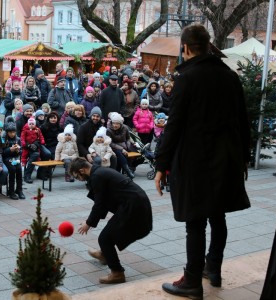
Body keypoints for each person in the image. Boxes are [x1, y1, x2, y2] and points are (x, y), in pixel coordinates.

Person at [154, 24, 251, 299]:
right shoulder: (230, 76)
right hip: (227, 157)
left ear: (184, 48)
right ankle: (213, 268)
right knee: (217, 215)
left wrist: (161, 164)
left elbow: (174, 124)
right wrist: (244, 157)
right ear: (209, 46)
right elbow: (243, 121)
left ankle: (192, 281)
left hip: (197, 159)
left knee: (195, 221)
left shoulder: (188, 77)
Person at [71, 157, 152, 284]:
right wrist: (91, 221)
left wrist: (88, 223)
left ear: (82, 170)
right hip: (133, 203)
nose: (79, 180)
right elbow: (103, 202)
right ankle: (105, 255)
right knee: (108, 235)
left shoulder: (97, 176)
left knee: (105, 238)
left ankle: (117, 273)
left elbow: (100, 204)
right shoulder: (99, 172)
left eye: (77, 176)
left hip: (133, 206)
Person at [107, 113, 135, 179]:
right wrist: (122, 149)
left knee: (127, 155)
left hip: (125, 147)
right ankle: (127, 171)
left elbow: (128, 138)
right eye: (114, 123)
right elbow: (110, 143)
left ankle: (124, 173)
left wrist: (127, 146)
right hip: (113, 148)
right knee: (119, 153)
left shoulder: (125, 127)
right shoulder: (108, 130)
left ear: (120, 124)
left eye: (117, 123)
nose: (115, 125)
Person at [2, 116, 25, 200]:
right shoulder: (3, 139)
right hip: (6, 159)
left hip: (15, 158)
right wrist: (10, 150)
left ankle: (19, 190)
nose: (12, 134)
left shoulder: (17, 139)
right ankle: (10, 190)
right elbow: (2, 152)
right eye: (10, 132)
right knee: (12, 170)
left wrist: (18, 150)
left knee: (19, 170)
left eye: (14, 132)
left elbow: (21, 151)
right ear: (7, 132)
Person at [20, 117, 46, 184]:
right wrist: (25, 144)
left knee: (36, 155)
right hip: (26, 147)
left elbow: (40, 136)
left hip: (35, 146)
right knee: (28, 158)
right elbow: (22, 138)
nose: (31, 125)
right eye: (30, 124)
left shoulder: (37, 130)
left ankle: (27, 175)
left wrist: (42, 141)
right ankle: (27, 175)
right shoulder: (25, 130)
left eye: (33, 124)